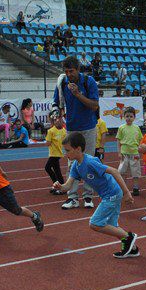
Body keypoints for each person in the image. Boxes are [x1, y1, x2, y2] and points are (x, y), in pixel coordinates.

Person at [53, 132, 138, 258]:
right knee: (112, 225)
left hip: (112, 193)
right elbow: (68, 186)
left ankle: (128, 237)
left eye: (68, 150)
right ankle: (133, 249)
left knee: (95, 223)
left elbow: (114, 171)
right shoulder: (76, 166)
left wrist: (126, 193)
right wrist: (60, 187)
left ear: (78, 149)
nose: (66, 154)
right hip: (108, 195)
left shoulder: (90, 162)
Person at [53, 56, 100, 209]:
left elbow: (94, 106)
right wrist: (57, 117)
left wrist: (78, 94)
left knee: (88, 162)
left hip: (88, 126)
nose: (69, 74)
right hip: (71, 127)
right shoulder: (62, 82)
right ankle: (72, 197)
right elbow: (56, 103)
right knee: (71, 162)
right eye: (66, 71)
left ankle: (87, 196)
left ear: (78, 69)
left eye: (71, 71)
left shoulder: (89, 81)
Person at [116, 106, 143, 196]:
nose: (129, 118)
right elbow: (118, 140)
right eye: (127, 116)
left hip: (134, 153)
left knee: (135, 171)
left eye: (131, 116)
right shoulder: (121, 128)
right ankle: (123, 187)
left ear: (134, 117)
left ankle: (135, 187)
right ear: (124, 117)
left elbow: (140, 140)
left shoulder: (137, 128)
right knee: (122, 171)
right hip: (124, 153)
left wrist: (139, 150)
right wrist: (119, 152)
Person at [45, 114, 67, 194]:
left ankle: (57, 184)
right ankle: (59, 185)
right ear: (54, 122)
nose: (58, 122)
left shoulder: (63, 131)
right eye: (56, 120)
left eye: (60, 121)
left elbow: (48, 143)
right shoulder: (51, 131)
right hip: (54, 153)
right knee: (57, 170)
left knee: (47, 168)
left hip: (57, 153)